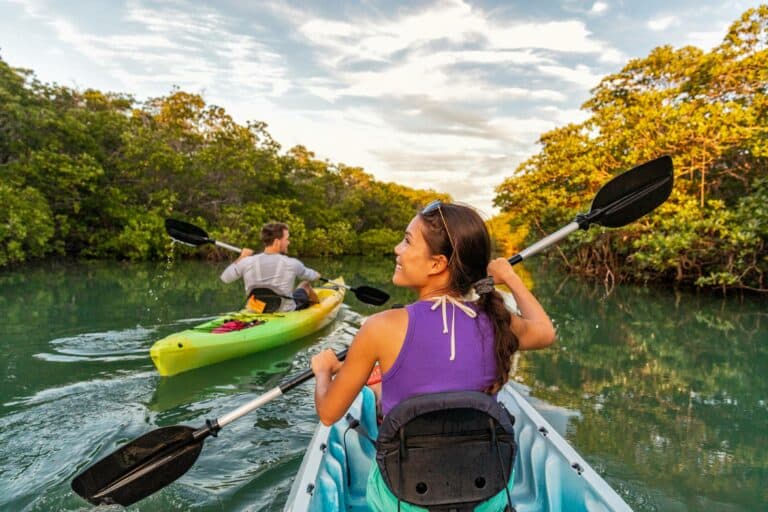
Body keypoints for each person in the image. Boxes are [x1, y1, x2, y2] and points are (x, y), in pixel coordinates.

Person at [311, 201, 556, 510]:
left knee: (376, 393)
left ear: (437, 264)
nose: (397, 249)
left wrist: (323, 371)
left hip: (403, 500)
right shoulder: (498, 321)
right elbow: (545, 331)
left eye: (407, 241)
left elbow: (329, 413)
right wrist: (509, 277)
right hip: (484, 497)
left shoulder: (380, 327)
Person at [220, 222, 320, 312]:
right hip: (284, 311)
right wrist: (317, 275)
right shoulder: (292, 263)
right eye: (287, 239)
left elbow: (225, 278)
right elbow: (313, 276)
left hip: (256, 309)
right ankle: (319, 309)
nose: (288, 242)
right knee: (305, 284)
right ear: (277, 241)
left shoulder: (247, 261)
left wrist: (242, 257)